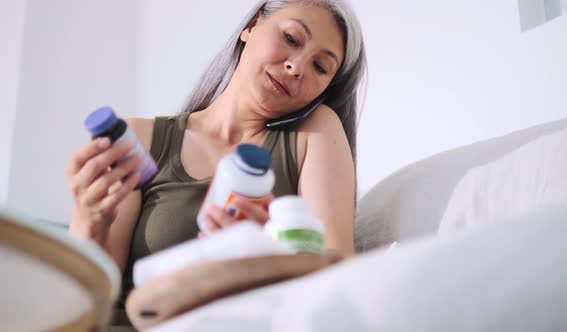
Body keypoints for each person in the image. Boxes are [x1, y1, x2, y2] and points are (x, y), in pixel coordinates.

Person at [66, 0, 366, 329]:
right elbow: (88, 298)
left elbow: (340, 279)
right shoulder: (140, 139)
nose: (297, 67)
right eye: (291, 38)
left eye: (320, 67)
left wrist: (264, 253)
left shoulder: (315, 131)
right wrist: (88, 219)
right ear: (251, 26)